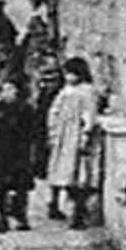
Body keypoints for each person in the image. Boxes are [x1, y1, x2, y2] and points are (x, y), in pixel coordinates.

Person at [45, 57, 101, 227]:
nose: (68, 77)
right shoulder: (65, 91)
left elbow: (90, 116)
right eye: (67, 73)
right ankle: (54, 205)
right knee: (60, 172)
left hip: (76, 136)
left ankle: (77, 214)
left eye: (72, 73)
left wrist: (85, 135)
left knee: (77, 176)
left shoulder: (87, 91)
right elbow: (54, 111)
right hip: (63, 137)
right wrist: (53, 131)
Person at [0, 74, 41, 230]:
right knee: (1, 188)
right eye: (4, 89)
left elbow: (33, 131)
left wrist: (30, 149)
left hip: (19, 153)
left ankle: (22, 218)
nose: (7, 93)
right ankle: (3, 218)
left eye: (11, 89)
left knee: (21, 187)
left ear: (18, 91)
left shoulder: (26, 109)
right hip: (0, 153)